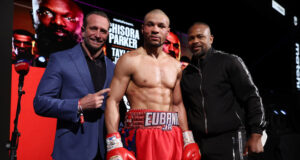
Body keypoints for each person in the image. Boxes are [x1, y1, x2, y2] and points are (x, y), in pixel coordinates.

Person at [105, 9, 201, 160]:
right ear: (143, 29)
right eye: (150, 25)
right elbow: (113, 100)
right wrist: (114, 144)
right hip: (140, 134)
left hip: (172, 134)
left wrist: (188, 140)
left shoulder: (175, 65)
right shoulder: (129, 60)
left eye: (161, 26)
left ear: (167, 31)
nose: (155, 30)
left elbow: (177, 104)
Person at [34, 11, 114, 160]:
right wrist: (78, 105)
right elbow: (40, 103)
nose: (98, 35)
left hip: (105, 152)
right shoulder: (61, 59)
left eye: (103, 31)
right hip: (72, 151)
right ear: (83, 31)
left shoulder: (112, 67)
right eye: (93, 28)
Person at [180, 22, 266, 160]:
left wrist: (256, 133)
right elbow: (184, 107)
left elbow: (252, 96)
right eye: (191, 38)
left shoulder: (229, 61)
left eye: (200, 36)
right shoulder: (186, 74)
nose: (195, 41)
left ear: (211, 39)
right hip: (200, 142)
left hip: (230, 138)